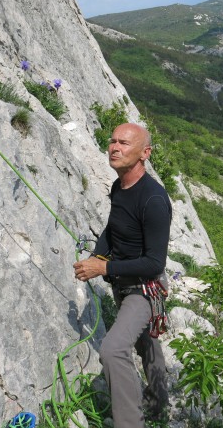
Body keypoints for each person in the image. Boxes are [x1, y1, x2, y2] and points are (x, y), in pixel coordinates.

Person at [73, 123, 172, 427]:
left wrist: (103, 267)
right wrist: (98, 255)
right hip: (124, 282)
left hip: (144, 288)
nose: (115, 147)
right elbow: (114, 228)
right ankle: (158, 406)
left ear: (145, 153)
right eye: (112, 141)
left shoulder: (153, 200)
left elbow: (154, 263)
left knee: (113, 349)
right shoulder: (120, 186)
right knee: (146, 344)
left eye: (124, 143)